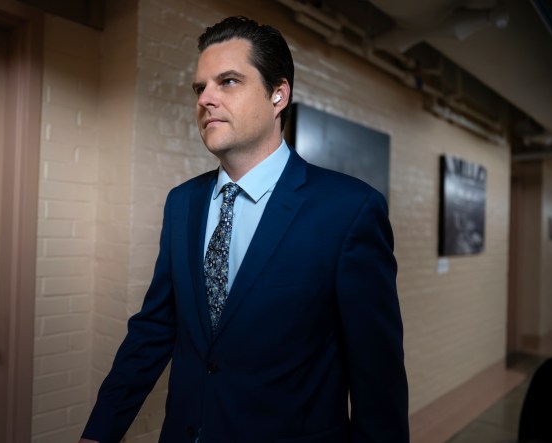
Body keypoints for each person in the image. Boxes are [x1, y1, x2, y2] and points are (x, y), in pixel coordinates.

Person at [80, 16, 408, 443]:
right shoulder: (182, 203)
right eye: (200, 88)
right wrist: (99, 433)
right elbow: (154, 329)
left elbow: (377, 376)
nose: (206, 99)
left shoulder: (348, 210)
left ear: (278, 94)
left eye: (228, 82)